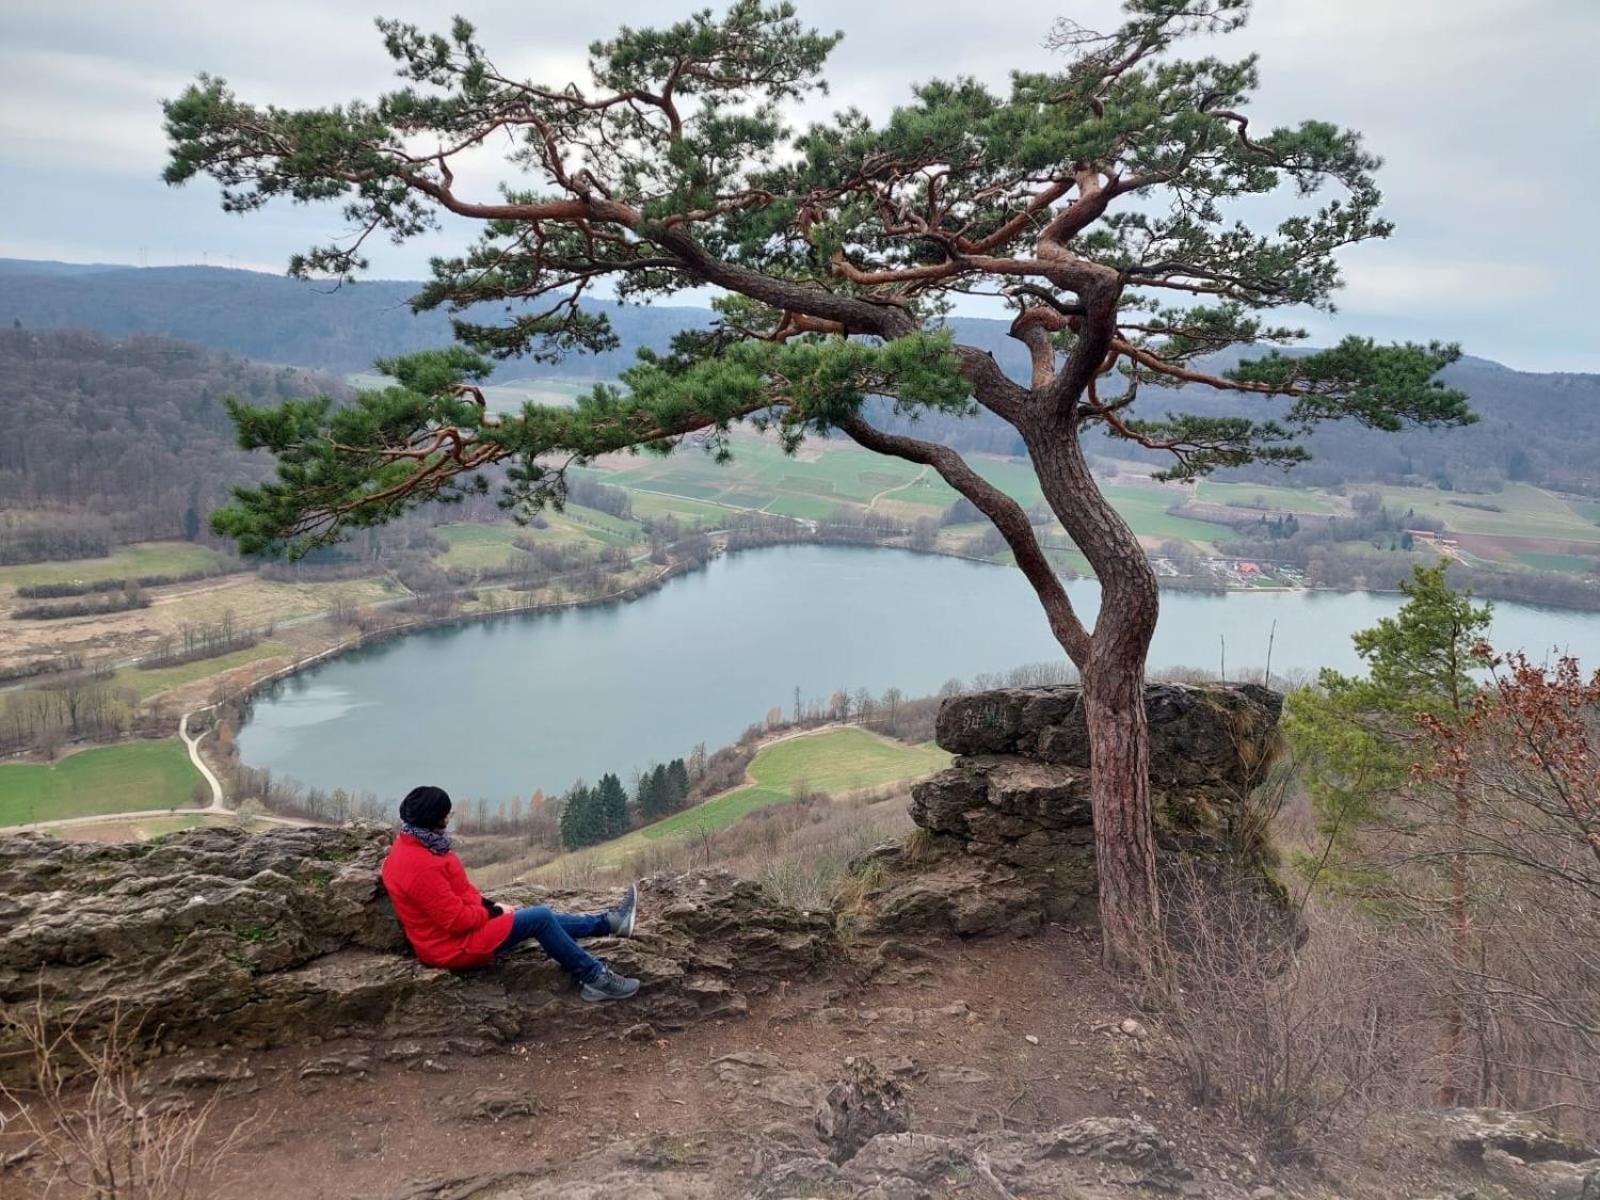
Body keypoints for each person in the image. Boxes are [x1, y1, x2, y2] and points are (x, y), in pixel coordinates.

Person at [380, 784, 641, 1002]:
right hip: (451, 947)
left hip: (454, 934)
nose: (449, 819)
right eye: (447, 815)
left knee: (540, 917)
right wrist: (491, 912)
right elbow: (456, 921)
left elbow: (458, 893)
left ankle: (610, 923)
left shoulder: (416, 845)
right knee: (539, 917)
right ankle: (594, 977)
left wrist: (490, 905)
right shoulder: (419, 866)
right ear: (433, 819)